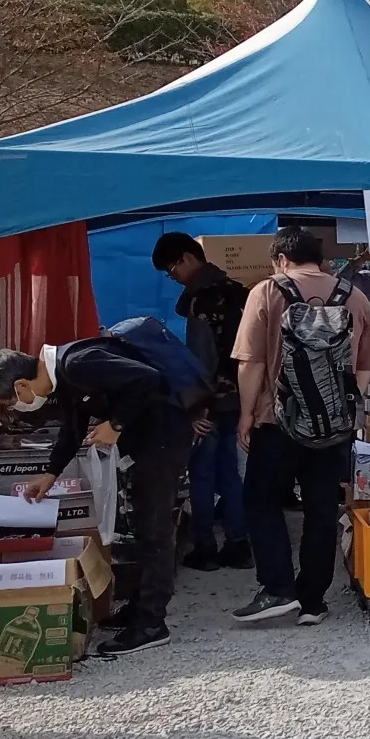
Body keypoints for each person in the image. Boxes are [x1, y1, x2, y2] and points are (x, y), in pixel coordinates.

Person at [0, 320, 198, 656]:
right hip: (145, 442)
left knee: (154, 530)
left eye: (10, 402)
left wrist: (116, 424)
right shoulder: (63, 377)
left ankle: (151, 624)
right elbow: (73, 429)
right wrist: (50, 474)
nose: (15, 408)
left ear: (21, 385)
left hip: (163, 438)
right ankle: (140, 607)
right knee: (141, 527)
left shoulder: (77, 363)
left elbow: (150, 379)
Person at [231, 227, 370, 627]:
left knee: (261, 499)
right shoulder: (355, 296)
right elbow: (366, 368)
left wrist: (246, 414)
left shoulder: (266, 292)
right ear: (321, 259)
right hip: (334, 425)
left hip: (277, 420)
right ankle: (313, 601)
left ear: (281, 259)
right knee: (321, 507)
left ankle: (278, 588)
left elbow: (251, 362)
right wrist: (340, 408)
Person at [151, 233, 252, 571]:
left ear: (187, 258)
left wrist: (195, 408)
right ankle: (239, 545)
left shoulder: (200, 302)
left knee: (203, 474)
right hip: (238, 397)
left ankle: (206, 548)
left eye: (172, 270)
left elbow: (201, 361)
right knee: (231, 474)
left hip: (209, 403)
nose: (174, 278)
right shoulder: (239, 293)